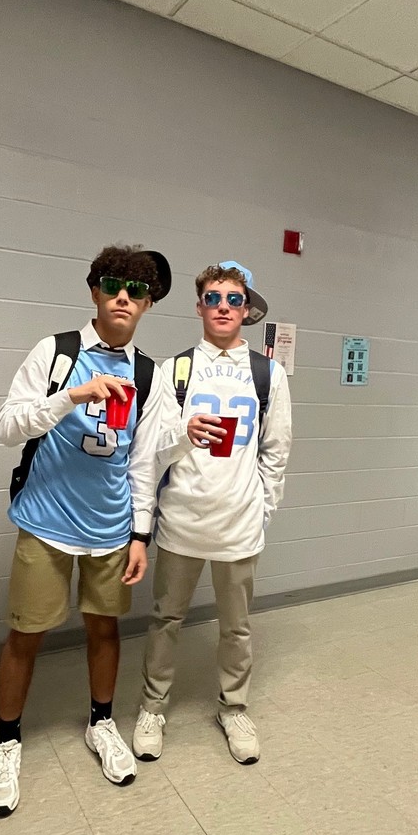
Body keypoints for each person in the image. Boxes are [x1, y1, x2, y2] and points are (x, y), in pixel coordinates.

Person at [0, 244, 170, 817]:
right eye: (112, 286)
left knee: (105, 629)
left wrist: (140, 535)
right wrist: (70, 397)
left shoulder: (149, 374)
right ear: (94, 291)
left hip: (111, 527)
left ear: (148, 304)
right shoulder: (57, 353)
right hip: (46, 522)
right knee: (25, 634)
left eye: (136, 291)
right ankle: (6, 741)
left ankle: (101, 723)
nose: (123, 298)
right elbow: (7, 427)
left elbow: (143, 463)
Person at [133, 261, 292, 765]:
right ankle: (153, 707)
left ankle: (233, 707)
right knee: (165, 619)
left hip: (239, 524)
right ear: (199, 306)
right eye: (214, 298)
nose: (223, 307)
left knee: (236, 627)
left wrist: (262, 510)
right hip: (182, 520)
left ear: (247, 309)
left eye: (233, 299)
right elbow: (153, 450)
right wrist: (184, 433)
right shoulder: (174, 370)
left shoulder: (268, 374)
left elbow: (277, 451)